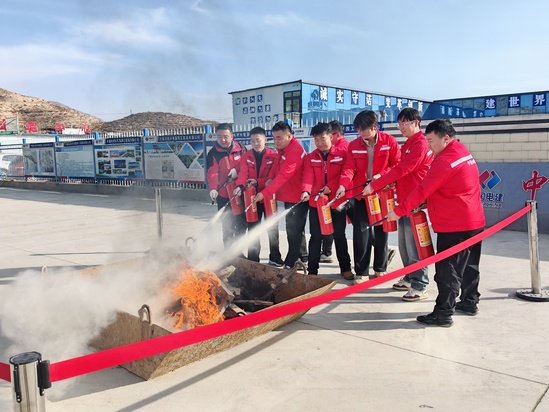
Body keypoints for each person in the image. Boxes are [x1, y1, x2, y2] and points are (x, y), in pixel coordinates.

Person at [387, 118, 485, 327]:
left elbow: (423, 189)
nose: (429, 146)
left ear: (445, 138)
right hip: (474, 221)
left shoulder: (444, 161)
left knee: (447, 271)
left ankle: (443, 314)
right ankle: (469, 302)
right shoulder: (462, 151)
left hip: (454, 224)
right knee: (470, 265)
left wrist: (398, 211)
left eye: (431, 141)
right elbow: (450, 186)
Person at [363, 108, 433, 302]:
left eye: (405, 123)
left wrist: (375, 184)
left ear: (416, 123)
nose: (401, 127)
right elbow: (401, 171)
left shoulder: (420, 144)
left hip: (414, 202)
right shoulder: (409, 143)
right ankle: (410, 277)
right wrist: (386, 181)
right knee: (404, 245)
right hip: (403, 202)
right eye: (399, 123)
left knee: (414, 246)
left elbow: (403, 169)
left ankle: (420, 285)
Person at [336, 110, 400, 283]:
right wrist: (343, 185)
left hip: (382, 193)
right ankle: (362, 272)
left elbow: (397, 164)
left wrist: (382, 176)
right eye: (358, 129)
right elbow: (349, 168)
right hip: (362, 195)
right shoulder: (354, 145)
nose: (361, 133)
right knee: (361, 232)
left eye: (364, 129)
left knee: (381, 232)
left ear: (374, 126)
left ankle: (380, 268)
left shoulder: (389, 141)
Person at [301, 122, 353, 279]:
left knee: (339, 235)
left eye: (322, 138)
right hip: (316, 203)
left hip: (336, 202)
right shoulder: (310, 157)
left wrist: (331, 186)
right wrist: (306, 190)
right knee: (316, 237)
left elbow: (346, 173)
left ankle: (345, 268)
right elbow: (308, 176)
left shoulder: (342, 154)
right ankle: (312, 271)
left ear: (331, 137)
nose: (319, 143)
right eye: (316, 139)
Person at [254, 121, 308, 269]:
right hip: (289, 195)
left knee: (293, 230)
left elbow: (284, 175)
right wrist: (270, 178)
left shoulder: (295, 151)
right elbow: (276, 167)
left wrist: (264, 193)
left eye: (279, 138)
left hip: (298, 196)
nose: (276, 141)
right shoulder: (282, 149)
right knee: (296, 228)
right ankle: (303, 257)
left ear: (289, 136)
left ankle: (291, 263)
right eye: (274, 138)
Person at [233, 127, 284, 267]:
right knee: (253, 227)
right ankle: (253, 259)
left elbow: (273, 177)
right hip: (251, 198)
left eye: (258, 140)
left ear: (265, 140)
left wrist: (258, 182)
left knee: (272, 227)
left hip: (268, 197)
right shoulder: (246, 156)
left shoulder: (273, 156)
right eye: (252, 141)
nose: (255, 144)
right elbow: (243, 173)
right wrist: (239, 186)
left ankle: (275, 256)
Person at [206, 123, 247, 250]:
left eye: (225, 136)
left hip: (239, 192)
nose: (222, 140)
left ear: (232, 136)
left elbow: (246, 165)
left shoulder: (241, 148)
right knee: (227, 224)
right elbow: (212, 172)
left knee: (241, 223)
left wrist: (236, 170)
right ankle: (228, 251)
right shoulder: (213, 153)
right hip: (223, 195)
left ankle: (238, 251)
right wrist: (213, 188)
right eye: (219, 137)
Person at [318, 120, 349, 263]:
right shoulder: (342, 147)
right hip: (332, 195)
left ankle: (330, 254)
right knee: (329, 223)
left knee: (337, 229)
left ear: (334, 134)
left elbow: (345, 172)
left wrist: (330, 185)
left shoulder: (342, 150)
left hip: (340, 195)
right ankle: (327, 252)